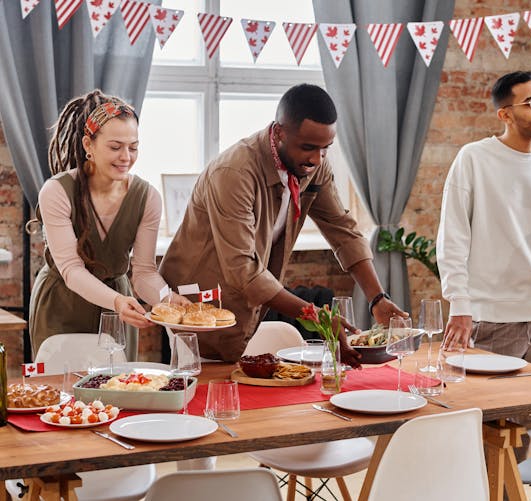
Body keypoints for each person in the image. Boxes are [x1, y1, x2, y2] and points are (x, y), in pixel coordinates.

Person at [159, 84, 406, 363]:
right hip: (199, 305)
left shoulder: (313, 165)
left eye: (326, 149)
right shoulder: (233, 173)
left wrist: (377, 299)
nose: (317, 159)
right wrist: (316, 316)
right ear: (278, 133)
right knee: (209, 395)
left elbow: (343, 231)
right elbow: (243, 270)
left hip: (246, 303)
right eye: (308, 147)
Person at [437, 71, 531, 461]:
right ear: (505, 114)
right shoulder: (474, 159)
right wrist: (461, 304)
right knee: (483, 419)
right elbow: (452, 237)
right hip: (494, 316)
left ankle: (508, 491)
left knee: (526, 420)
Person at [29, 90, 189, 360]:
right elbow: (71, 269)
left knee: (120, 390)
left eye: (134, 147)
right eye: (115, 147)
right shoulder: (56, 192)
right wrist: (116, 302)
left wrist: (168, 298)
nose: (126, 156)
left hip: (119, 304)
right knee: (62, 395)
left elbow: (144, 273)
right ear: (88, 145)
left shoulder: (147, 197)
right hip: (62, 304)